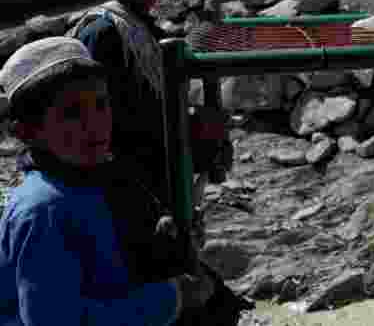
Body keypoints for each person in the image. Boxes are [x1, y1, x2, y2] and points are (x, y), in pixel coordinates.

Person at [0, 37, 214, 325]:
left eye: (101, 105)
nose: (94, 124)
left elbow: (110, 269)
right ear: (27, 132)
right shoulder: (42, 210)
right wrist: (170, 300)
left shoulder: (106, 179)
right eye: (72, 113)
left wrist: (170, 246)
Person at [66, 0, 231, 241]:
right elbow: (115, 130)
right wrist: (195, 135)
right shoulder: (104, 33)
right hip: (128, 201)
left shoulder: (145, 29)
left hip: (156, 193)